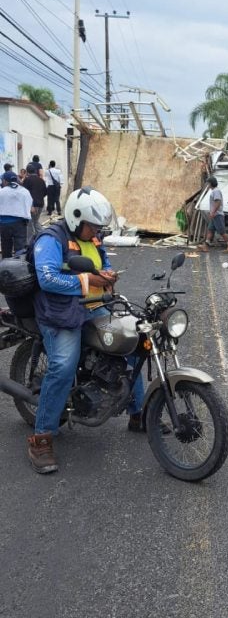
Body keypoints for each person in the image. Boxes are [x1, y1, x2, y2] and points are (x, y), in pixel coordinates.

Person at [26, 187, 145, 474]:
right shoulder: (50, 239)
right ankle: (41, 437)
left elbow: (102, 263)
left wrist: (107, 274)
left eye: (98, 228)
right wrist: (87, 279)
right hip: (58, 313)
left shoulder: (90, 237)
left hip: (91, 305)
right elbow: (48, 278)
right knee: (64, 366)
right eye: (93, 226)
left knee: (131, 343)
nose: (96, 232)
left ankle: (139, 414)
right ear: (76, 217)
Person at [198, 176, 228, 253]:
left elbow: (218, 202)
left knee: (222, 231)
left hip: (217, 215)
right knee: (210, 230)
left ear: (211, 183)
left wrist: (213, 212)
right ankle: (206, 246)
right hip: (215, 215)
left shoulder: (216, 191)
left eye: (208, 183)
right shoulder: (214, 191)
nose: (207, 185)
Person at [0, 171, 32, 257]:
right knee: (20, 248)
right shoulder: (25, 191)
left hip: (4, 224)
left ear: (5, 181)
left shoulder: (1, 191)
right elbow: (29, 205)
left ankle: (6, 267)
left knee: (6, 247)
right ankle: (19, 266)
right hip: (20, 224)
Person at [23, 164, 47, 236]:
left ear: (27, 172)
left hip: (32, 205)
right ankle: (42, 235)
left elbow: (24, 193)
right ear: (35, 171)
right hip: (40, 204)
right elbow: (45, 192)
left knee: (30, 224)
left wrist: (31, 205)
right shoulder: (41, 180)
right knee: (35, 222)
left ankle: (31, 240)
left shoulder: (27, 180)